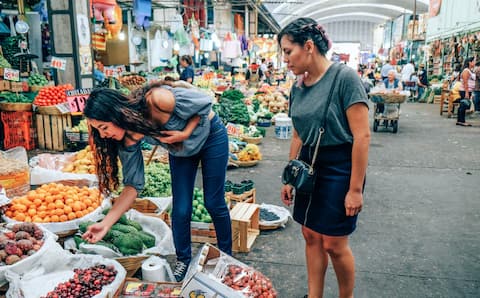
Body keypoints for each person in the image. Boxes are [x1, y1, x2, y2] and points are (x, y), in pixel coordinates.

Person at [81, 82, 232, 282]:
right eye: (98, 130)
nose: (103, 135)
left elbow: (205, 104)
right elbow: (133, 186)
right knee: (180, 209)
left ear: (116, 115)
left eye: (104, 127)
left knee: (213, 202)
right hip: (180, 151)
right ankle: (183, 260)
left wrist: (185, 132)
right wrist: (106, 224)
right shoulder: (126, 141)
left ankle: (227, 258)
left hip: (211, 137)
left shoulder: (156, 100)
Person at [278, 18, 370, 298]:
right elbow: (297, 134)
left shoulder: (345, 78)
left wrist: (355, 190)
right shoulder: (298, 87)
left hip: (340, 165)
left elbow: (362, 136)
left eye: (287, 51)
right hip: (307, 164)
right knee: (310, 234)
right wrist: (289, 177)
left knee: (334, 243)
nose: (285, 60)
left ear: (308, 47)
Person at [457, 57, 476, 126]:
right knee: (464, 105)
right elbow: (465, 82)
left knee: (463, 105)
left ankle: (460, 120)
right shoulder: (466, 71)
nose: (474, 62)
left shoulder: (470, 70)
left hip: (467, 90)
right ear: (469, 62)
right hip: (464, 90)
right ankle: (461, 121)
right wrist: (467, 92)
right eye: (473, 61)